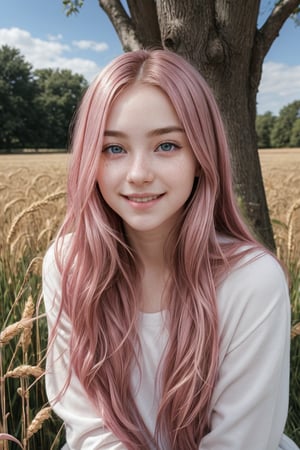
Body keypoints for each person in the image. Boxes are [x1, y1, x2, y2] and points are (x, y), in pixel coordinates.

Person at [43, 49, 295, 450]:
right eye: (113, 149)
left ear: (201, 156)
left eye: (167, 146)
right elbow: (91, 432)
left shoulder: (253, 282)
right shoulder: (68, 265)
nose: (139, 174)